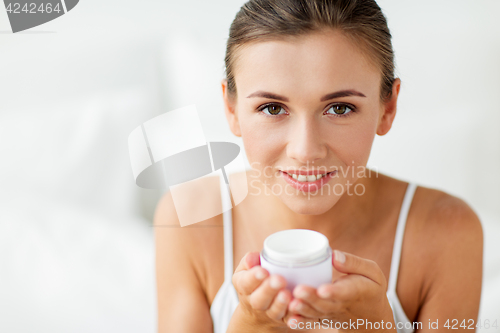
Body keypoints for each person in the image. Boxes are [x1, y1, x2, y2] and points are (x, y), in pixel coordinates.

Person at [154, 0, 483, 332]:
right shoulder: (190, 218)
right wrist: (249, 327)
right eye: (271, 108)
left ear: (388, 108)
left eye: (339, 108)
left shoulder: (446, 230)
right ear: (231, 109)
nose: (305, 150)